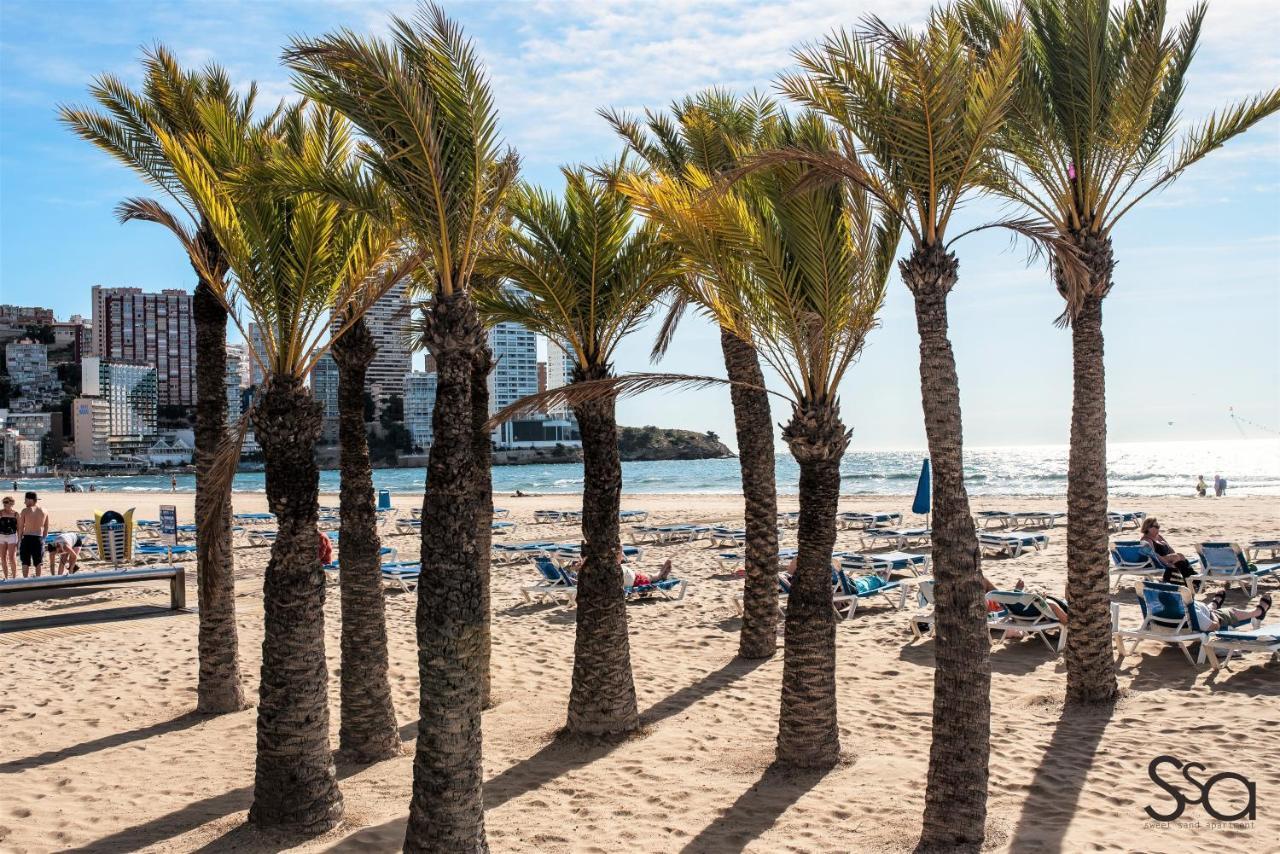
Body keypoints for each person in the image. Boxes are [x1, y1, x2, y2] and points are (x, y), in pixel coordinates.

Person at [1140, 517, 1197, 587]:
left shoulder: (1159, 537)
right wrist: (1166, 563)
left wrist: (1177, 557)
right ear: (1148, 528)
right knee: (1176, 558)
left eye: (1158, 526)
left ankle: (1191, 580)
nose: (1158, 528)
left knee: (1180, 557)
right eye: (1156, 526)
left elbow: (1170, 548)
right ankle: (1192, 581)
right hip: (1157, 561)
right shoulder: (1146, 539)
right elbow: (1153, 555)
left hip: (1168, 558)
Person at [1194, 590, 1270, 632]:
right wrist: (1212, 613)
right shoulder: (1192, 612)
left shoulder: (1183, 605)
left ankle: (1213, 605)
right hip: (1209, 617)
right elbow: (1214, 626)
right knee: (1231, 611)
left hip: (1198, 612)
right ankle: (1258, 612)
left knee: (1207, 608)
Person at [17, 491, 48, 578]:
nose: (24, 502)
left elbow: (20, 527)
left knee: (25, 561)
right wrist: (44, 539)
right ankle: (38, 580)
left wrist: (19, 540)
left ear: (30, 500)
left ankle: (25, 580)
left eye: (25, 500)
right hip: (38, 538)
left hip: (26, 538)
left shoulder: (25, 511)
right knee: (38, 562)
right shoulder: (44, 511)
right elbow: (46, 527)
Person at [0, 496, 18, 579]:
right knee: (3, 557)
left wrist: (20, 539)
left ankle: (14, 577)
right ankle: (6, 577)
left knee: (11, 558)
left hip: (12, 536)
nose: (5, 504)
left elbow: (19, 528)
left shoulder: (16, 514)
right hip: (1, 536)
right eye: (4, 502)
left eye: (7, 502)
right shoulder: (0, 513)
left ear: (12, 503)